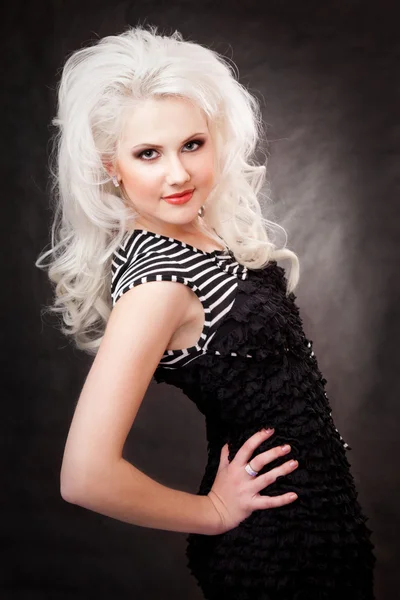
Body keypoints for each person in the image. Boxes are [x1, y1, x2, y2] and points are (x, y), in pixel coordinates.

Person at [36, 24, 376, 599]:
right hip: (278, 557)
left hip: (322, 535)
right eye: (148, 153)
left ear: (217, 138)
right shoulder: (157, 282)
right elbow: (85, 474)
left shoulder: (199, 233)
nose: (178, 174)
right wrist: (214, 511)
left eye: (192, 144)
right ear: (111, 165)